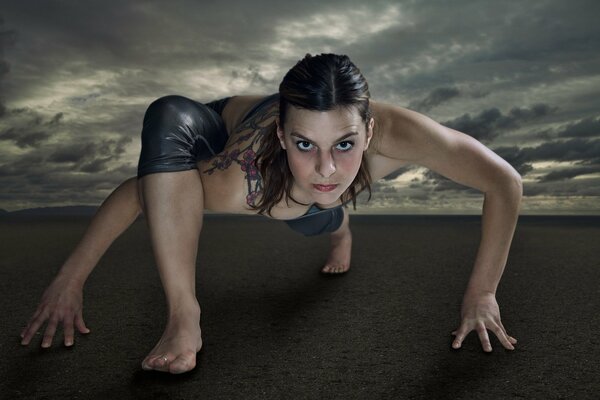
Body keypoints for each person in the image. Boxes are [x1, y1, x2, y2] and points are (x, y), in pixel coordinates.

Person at [20, 53, 521, 374]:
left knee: (322, 211)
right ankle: (184, 316)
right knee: (168, 114)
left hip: (304, 197)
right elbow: (140, 192)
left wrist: (482, 294)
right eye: (306, 143)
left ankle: (340, 230)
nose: (326, 165)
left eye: (344, 144)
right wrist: (70, 279)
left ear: (368, 133)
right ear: (283, 137)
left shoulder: (407, 135)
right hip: (214, 125)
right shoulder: (242, 178)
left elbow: (505, 181)